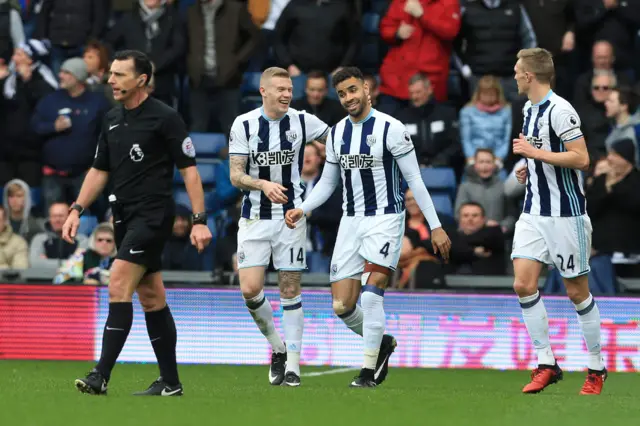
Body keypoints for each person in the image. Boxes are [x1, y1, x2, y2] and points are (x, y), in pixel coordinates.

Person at [285, 67, 451, 388]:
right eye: (342, 94)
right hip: (351, 221)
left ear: (365, 88)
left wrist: (436, 226)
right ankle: (382, 342)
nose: (348, 98)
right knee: (342, 306)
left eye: (352, 90)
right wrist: (302, 208)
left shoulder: (392, 128)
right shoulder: (336, 133)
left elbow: (415, 180)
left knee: (372, 296)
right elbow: (327, 182)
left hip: (386, 219)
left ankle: (368, 370)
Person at [62, 50, 212, 397]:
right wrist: (76, 209)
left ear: (141, 80)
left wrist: (199, 220)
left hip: (153, 214)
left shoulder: (165, 118)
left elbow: (190, 171)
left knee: (118, 282)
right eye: (110, 74)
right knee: (151, 296)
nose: (110, 80)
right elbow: (100, 170)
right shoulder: (111, 118)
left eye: (119, 75)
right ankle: (171, 383)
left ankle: (101, 374)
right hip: (123, 216)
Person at [228, 67, 330, 387]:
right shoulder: (244, 124)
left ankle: (294, 367)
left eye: (289, 89)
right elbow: (235, 174)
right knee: (249, 289)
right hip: (255, 217)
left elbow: (339, 139)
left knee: (289, 289)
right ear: (264, 91)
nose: (287, 94)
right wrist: (262, 184)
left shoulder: (303, 120)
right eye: (281, 89)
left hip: (291, 218)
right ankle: (278, 348)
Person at [511, 48, 605, 395]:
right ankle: (546, 363)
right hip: (533, 211)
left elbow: (581, 158)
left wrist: (535, 154)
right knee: (523, 284)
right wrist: (529, 168)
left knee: (576, 292)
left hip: (566, 216)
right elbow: (544, 158)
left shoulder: (561, 110)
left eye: (518, 71)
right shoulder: (527, 109)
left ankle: (596, 368)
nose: (515, 75)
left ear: (530, 76)